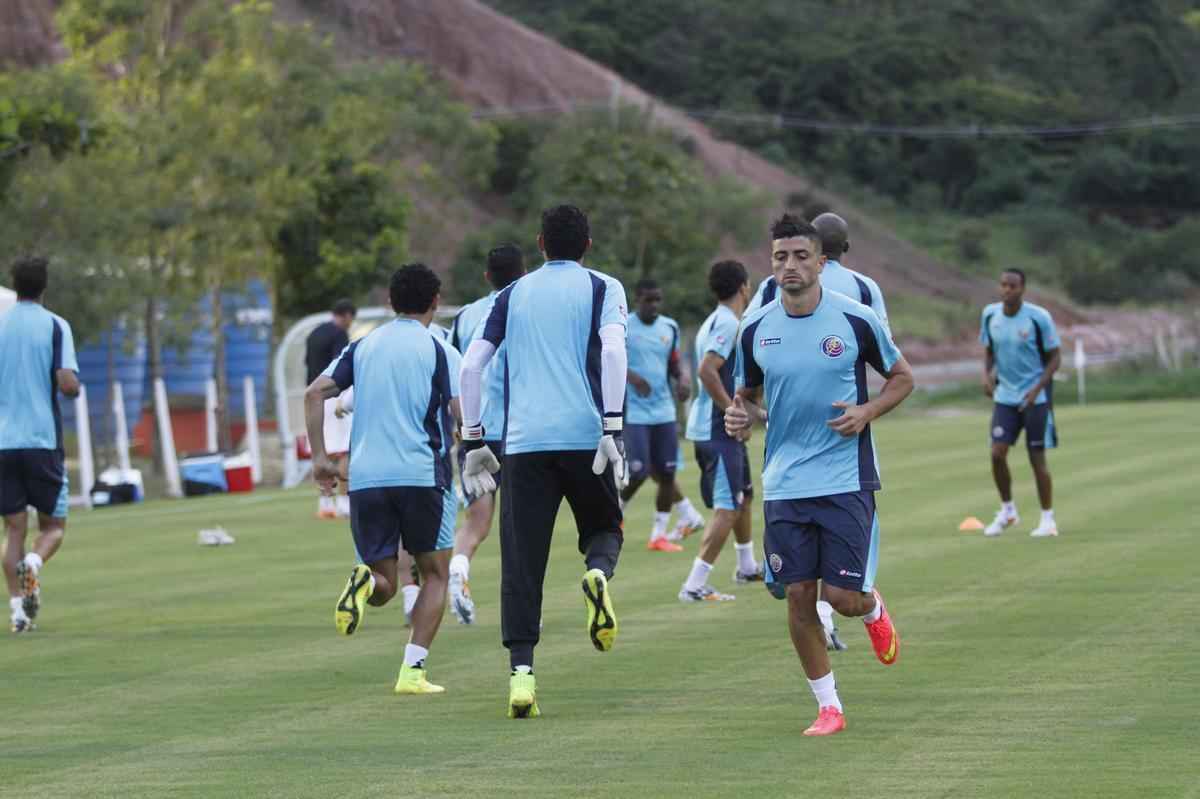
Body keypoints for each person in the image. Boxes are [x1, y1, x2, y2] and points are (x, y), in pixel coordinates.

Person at [725, 215, 913, 736]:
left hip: (845, 477)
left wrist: (867, 411)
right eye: (780, 257)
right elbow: (747, 399)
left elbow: (902, 378)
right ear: (771, 263)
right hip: (785, 483)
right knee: (798, 596)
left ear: (821, 263)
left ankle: (871, 608)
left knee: (842, 599)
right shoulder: (755, 329)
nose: (790, 265)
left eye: (801, 256)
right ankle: (829, 707)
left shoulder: (855, 319)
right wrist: (740, 418)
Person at [458, 205, 628, 719]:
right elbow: (613, 352)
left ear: (540, 244)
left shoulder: (511, 294)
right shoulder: (604, 287)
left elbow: (472, 366)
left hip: (524, 443)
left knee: (522, 561)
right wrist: (612, 427)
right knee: (605, 529)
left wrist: (472, 440)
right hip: (585, 436)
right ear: (588, 245)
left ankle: (522, 676)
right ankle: (596, 574)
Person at [305, 265, 459, 695]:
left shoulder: (362, 345)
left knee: (385, 583)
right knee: (435, 575)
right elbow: (462, 411)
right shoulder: (441, 347)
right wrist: (478, 447)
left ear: (390, 302)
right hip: (422, 475)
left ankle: (365, 582)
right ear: (436, 301)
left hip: (366, 478)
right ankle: (412, 672)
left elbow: (314, 393)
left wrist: (320, 458)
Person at [445, 243, 527, 624]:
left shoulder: (465, 316)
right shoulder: (528, 309)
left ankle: (458, 569)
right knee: (520, 523)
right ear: (524, 273)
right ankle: (521, 607)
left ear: (486, 276)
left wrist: (459, 428)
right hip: (520, 433)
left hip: (474, 432)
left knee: (476, 521)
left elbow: (454, 372)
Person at [0, 256, 80, 634]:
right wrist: (75, 387)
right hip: (42, 441)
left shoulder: (0, 324)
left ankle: (18, 612)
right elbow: (66, 382)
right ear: (44, 285)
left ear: (15, 285)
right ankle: (33, 563)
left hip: (3, 443)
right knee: (53, 526)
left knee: (13, 529)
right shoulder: (55, 325)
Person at [677, 260, 763, 604]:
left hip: (716, 427)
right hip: (716, 428)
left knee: (745, 497)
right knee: (728, 507)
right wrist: (733, 411)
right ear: (744, 286)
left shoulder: (715, 320)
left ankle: (747, 566)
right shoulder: (727, 323)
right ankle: (693, 585)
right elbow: (707, 370)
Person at [622, 277, 705, 552]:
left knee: (667, 474)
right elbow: (610, 360)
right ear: (637, 300)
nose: (654, 305)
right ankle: (615, 513)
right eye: (648, 300)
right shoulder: (624, 326)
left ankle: (658, 535)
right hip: (635, 412)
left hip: (664, 411)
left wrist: (682, 379)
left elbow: (674, 363)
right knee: (639, 471)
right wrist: (633, 378)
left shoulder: (669, 327)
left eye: (658, 300)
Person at [980, 268, 1062, 538]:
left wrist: (1037, 389)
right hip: (1005, 397)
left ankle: (1047, 519)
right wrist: (986, 375)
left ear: (1022, 289)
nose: (1006, 290)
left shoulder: (1038, 318)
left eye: (1012, 286)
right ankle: (1008, 511)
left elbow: (1055, 358)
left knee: (1036, 458)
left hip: (1035, 399)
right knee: (997, 453)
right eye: (1003, 284)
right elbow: (989, 351)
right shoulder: (990, 315)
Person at [747, 212, 888, 331]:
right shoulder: (865, 286)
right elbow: (882, 335)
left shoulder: (775, 282)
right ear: (845, 247)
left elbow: (746, 327)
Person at [304, 298, 357, 519]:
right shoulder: (339, 334)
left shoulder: (314, 333)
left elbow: (307, 363)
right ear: (347, 315)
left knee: (322, 451)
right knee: (343, 450)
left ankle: (325, 502)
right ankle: (344, 502)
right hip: (333, 396)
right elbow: (339, 366)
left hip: (314, 396)